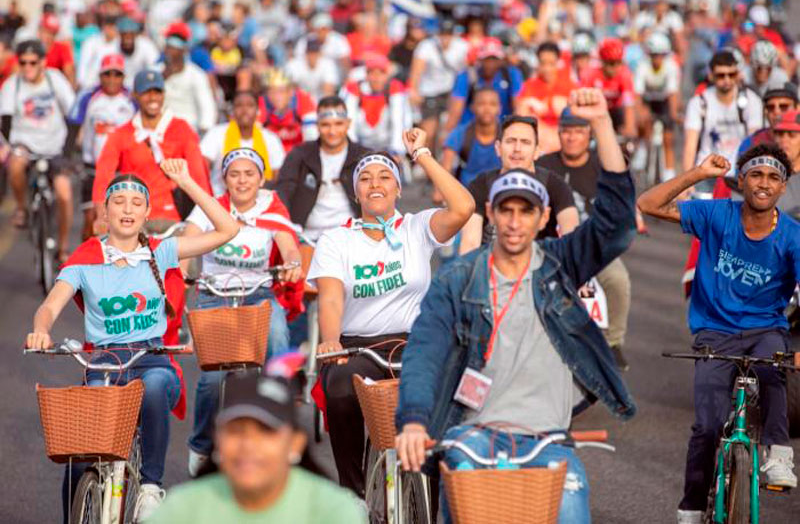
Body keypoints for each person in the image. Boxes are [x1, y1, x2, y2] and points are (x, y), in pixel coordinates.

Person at [395, 88, 637, 524]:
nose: (514, 221)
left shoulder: (562, 265)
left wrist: (602, 123)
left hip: (547, 440)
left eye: (526, 212)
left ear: (543, 218)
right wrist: (413, 419)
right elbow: (425, 351)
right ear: (491, 213)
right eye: (505, 210)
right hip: (471, 437)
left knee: (572, 510)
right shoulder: (458, 278)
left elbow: (615, 225)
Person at [26, 161, 240, 521]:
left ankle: (151, 486)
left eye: (136, 203)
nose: (127, 209)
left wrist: (186, 181)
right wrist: (41, 329)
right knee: (81, 454)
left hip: (152, 357)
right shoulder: (86, 258)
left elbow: (228, 229)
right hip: (103, 363)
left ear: (146, 212)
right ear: (104, 211)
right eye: (119, 201)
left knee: (153, 387)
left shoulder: (162, 250)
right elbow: (49, 305)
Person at [308, 128, 475, 496]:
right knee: (339, 385)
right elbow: (330, 298)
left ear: (398, 188)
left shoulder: (416, 227)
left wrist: (422, 154)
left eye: (385, 177)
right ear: (356, 192)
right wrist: (331, 341)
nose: (375, 184)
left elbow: (463, 207)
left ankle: (432, 496)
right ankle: (353, 494)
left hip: (415, 344)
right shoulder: (337, 239)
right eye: (365, 179)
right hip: (357, 347)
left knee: (450, 395)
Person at [638, 144, 799, 523]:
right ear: (741, 181)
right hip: (715, 331)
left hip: (765, 329)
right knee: (707, 426)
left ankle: (778, 454)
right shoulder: (716, 214)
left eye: (773, 177)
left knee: (775, 371)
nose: (764, 184)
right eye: (755, 175)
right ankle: (692, 505)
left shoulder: (793, 235)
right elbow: (647, 204)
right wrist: (698, 174)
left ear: (783, 186)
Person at [184, 147, 303, 477]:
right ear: (224, 179)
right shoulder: (211, 206)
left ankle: (278, 419)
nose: (242, 180)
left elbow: (288, 244)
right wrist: (181, 269)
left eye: (249, 173)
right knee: (212, 378)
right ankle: (200, 444)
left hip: (258, 292)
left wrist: (293, 262)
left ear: (261, 178)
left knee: (278, 336)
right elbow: (187, 241)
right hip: (214, 294)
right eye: (234, 174)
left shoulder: (271, 206)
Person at [149, 372, 366, 523]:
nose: (248, 445)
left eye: (266, 431)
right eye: (236, 431)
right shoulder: (180, 511)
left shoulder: (331, 512)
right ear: (217, 440)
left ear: (295, 443)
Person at [537, 107, 632, 370]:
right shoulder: (544, 166)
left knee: (618, 280)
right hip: (550, 246)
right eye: (566, 131)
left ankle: (613, 342)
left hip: (593, 247)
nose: (572, 137)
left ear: (589, 134)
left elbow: (621, 198)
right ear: (559, 133)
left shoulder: (602, 165)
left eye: (578, 131)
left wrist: (633, 213)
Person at [92, 69, 211, 234]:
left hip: (174, 219)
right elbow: (103, 176)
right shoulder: (122, 134)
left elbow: (199, 177)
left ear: (164, 95)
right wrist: (101, 215)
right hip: (133, 219)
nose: (153, 98)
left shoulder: (182, 129)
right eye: (146, 92)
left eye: (157, 92)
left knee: (189, 246)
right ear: (135, 95)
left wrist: (206, 217)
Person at [458, 115, 579, 254]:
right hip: (491, 263)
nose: (517, 148)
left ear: (537, 151)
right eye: (510, 141)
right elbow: (470, 242)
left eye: (525, 142)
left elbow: (571, 235)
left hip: (543, 263)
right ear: (498, 148)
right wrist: (470, 267)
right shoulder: (480, 185)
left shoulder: (555, 185)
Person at [0, 39, 75, 260]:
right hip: (25, 144)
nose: (27, 68)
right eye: (23, 62)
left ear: (43, 62)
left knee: (64, 192)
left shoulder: (55, 79)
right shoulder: (12, 85)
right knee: (15, 165)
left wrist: (69, 151)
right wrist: (7, 147)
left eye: (33, 62)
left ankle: (63, 247)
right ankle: (21, 207)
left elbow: (72, 113)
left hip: (54, 147)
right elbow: (5, 120)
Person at [275, 96, 370, 244]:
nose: (332, 131)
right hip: (308, 238)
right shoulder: (300, 154)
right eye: (326, 124)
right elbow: (283, 191)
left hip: (353, 237)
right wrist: (289, 232)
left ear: (348, 124)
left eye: (338, 124)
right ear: (317, 125)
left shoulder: (364, 156)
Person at [68, 53, 136, 240]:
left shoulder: (132, 99)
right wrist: (67, 156)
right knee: (91, 221)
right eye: (108, 74)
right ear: (100, 76)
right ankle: (87, 255)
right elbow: (73, 126)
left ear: (123, 77)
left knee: (123, 220)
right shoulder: (88, 97)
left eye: (117, 74)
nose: (112, 79)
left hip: (121, 170)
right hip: (93, 167)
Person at [682, 50, 763, 196]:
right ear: (711, 76)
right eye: (721, 75)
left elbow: (755, 141)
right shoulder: (699, 103)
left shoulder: (752, 101)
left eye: (731, 74)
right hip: (706, 172)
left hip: (739, 173)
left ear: (738, 74)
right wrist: (686, 183)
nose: (727, 80)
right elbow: (690, 145)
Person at [201, 90, 285, 195]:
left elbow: (278, 177)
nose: (244, 110)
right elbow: (201, 167)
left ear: (258, 110)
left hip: (261, 199)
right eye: (239, 105)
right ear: (232, 110)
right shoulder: (216, 133)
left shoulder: (270, 139)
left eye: (250, 105)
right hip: (220, 197)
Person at [407, 18, 469, 150]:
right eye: (443, 34)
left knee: (448, 132)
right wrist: (414, 90)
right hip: (430, 92)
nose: (445, 38)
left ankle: (442, 159)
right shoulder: (426, 46)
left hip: (451, 92)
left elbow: (467, 69)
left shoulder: (462, 46)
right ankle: (424, 157)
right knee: (428, 133)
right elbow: (416, 71)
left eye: (448, 34)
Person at [443, 37, 523, 135]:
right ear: (479, 59)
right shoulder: (467, 76)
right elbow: (456, 111)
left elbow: (518, 106)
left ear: (501, 60)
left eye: (494, 59)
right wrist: (448, 135)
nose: (490, 64)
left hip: (502, 130)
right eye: (486, 59)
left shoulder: (511, 75)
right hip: (470, 131)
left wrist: (516, 133)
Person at [343, 54, 412, 157]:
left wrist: (397, 150)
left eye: (381, 73)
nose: (376, 78)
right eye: (372, 73)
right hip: (361, 146)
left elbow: (399, 121)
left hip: (388, 147)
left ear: (387, 75)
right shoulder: (354, 89)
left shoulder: (395, 89)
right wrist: (352, 150)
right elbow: (349, 122)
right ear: (366, 75)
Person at [633, 31, 681, 180]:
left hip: (664, 101)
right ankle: (643, 148)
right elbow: (638, 94)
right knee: (645, 122)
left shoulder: (671, 66)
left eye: (661, 55)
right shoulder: (642, 66)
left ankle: (669, 173)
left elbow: (673, 94)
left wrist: (673, 115)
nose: (657, 59)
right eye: (654, 55)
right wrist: (640, 114)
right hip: (648, 100)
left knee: (668, 138)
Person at [516, 41, 577, 156]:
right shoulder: (529, 86)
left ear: (558, 62)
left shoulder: (569, 86)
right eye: (542, 63)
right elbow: (520, 115)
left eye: (551, 64)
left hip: (562, 141)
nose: (547, 69)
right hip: (539, 143)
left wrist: (548, 104)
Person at [159, 22, 217, 135]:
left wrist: (205, 129)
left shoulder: (196, 74)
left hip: (188, 129)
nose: (169, 52)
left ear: (184, 50)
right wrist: (162, 79)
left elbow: (207, 105)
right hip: (161, 128)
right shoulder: (156, 71)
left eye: (174, 49)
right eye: (168, 48)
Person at [441, 87, 501, 187]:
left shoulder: (507, 134)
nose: (487, 109)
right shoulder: (461, 133)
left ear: (499, 108)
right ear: (472, 107)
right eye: (481, 104)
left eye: (492, 104)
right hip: (466, 191)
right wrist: (441, 190)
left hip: (499, 191)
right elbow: (445, 169)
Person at [581, 38, 636, 138]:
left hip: (616, 111)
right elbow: (584, 105)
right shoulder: (591, 74)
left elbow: (628, 103)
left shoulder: (624, 74)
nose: (616, 68)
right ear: (603, 62)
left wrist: (629, 127)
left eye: (619, 62)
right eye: (611, 63)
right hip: (595, 111)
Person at [258, 68, 318, 153]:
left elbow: (312, 136)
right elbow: (255, 134)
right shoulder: (262, 102)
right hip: (271, 152)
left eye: (281, 91)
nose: (277, 97)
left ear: (290, 92)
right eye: (272, 91)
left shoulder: (302, 99)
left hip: (300, 152)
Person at [285, 36, 339, 102]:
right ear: (305, 53)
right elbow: (290, 88)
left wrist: (323, 105)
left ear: (320, 53)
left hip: (320, 100)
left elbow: (329, 89)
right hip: (299, 100)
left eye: (315, 52)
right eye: (310, 52)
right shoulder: (294, 64)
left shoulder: (328, 64)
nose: (312, 56)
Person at [117, 16, 159, 92]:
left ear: (136, 35)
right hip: (119, 89)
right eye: (124, 35)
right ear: (119, 35)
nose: (127, 39)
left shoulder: (146, 45)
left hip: (143, 88)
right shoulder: (112, 48)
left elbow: (155, 69)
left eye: (131, 35)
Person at [76, 15, 118, 89]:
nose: (110, 31)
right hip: (90, 85)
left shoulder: (119, 44)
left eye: (113, 28)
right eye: (108, 27)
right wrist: (81, 82)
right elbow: (83, 63)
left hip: (112, 85)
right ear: (104, 27)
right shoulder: (91, 42)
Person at [38, 13, 75, 86]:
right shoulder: (32, 49)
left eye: (50, 33)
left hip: (57, 87)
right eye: (43, 31)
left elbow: (69, 73)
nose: (45, 36)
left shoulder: (62, 48)